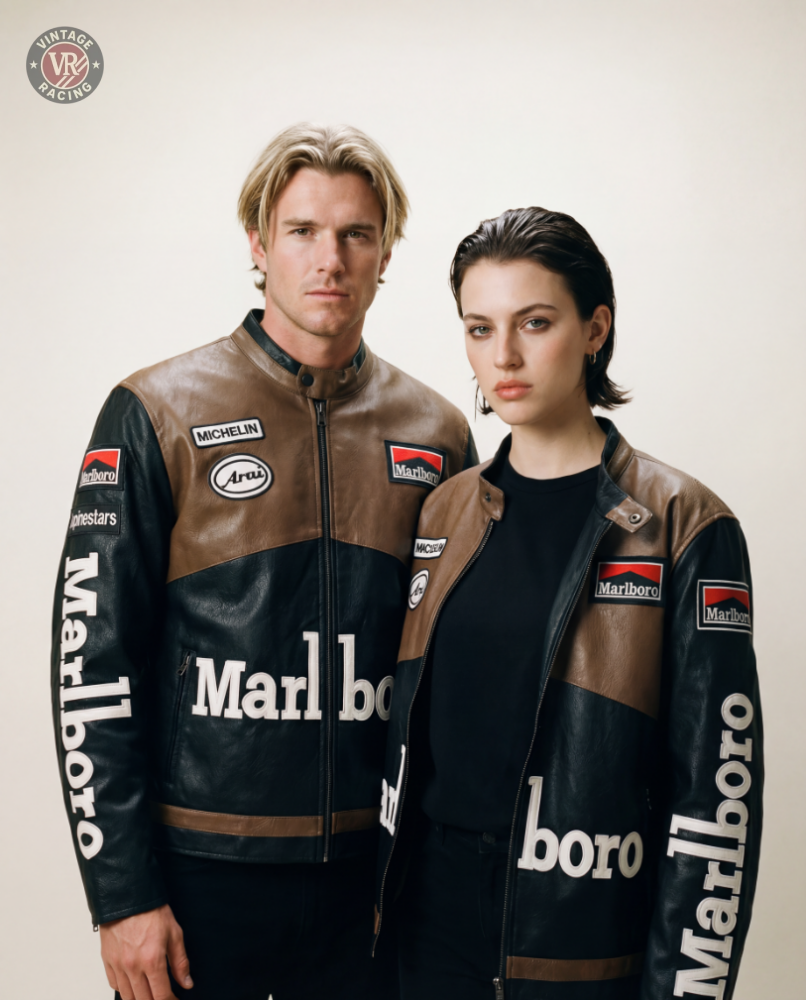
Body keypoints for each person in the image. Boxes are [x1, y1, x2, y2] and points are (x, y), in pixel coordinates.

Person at [51, 122, 477, 1000]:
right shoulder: (154, 412)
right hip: (204, 878)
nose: (332, 259)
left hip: (375, 879)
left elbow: (458, 676)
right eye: (304, 232)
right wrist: (122, 897)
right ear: (258, 242)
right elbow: (90, 669)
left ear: (386, 250)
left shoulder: (436, 432)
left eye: (357, 234)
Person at [374, 207, 762, 1000]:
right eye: (479, 329)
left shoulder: (685, 523)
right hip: (430, 930)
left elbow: (717, 800)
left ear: (595, 328)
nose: (504, 356)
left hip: (582, 934)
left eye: (535, 322)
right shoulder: (441, 512)